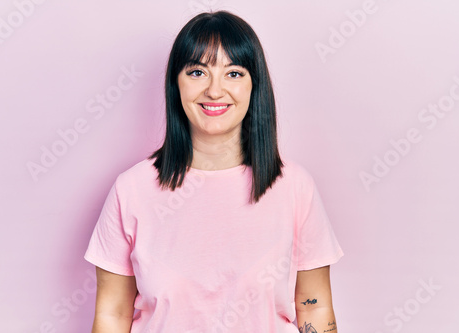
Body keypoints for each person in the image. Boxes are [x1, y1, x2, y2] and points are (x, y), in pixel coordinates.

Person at [84, 10, 343, 333]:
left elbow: (315, 308)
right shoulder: (131, 190)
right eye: (197, 72)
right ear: (175, 83)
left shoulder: (295, 188)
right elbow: (112, 314)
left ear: (254, 85)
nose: (215, 91)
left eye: (233, 73)